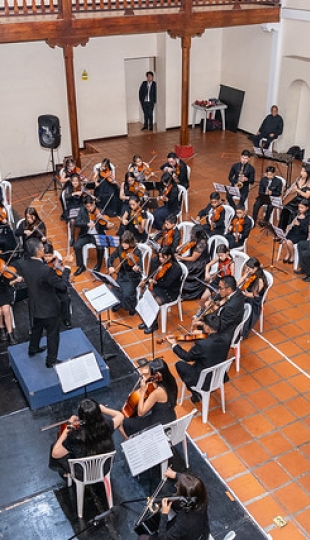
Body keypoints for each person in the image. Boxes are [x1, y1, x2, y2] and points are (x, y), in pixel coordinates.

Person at [14, 238, 72, 368]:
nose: (43, 250)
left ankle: (33, 348)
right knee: (52, 335)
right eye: (42, 249)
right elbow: (62, 286)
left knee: (37, 328)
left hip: (34, 305)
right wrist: (67, 267)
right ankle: (51, 361)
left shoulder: (23, 263)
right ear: (38, 251)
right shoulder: (46, 271)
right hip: (49, 308)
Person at [51, 398, 123, 477]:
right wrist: (104, 409)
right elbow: (120, 415)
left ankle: (66, 473)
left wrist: (67, 427)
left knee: (55, 446)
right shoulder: (107, 426)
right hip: (105, 467)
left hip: (84, 474)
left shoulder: (75, 436)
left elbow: (55, 454)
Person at [167, 313, 231, 404]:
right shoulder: (227, 338)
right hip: (219, 375)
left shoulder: (203, 345)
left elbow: (187, 357)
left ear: (208, 328)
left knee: (179, 365)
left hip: (204, 379)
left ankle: (195, 392)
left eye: (204, 325)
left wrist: (174, 345)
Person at [137, 468, 210, 540]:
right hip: (202, 530)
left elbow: (163, 538)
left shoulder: (182, 522)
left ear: (184, 499)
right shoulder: (202, 497)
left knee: (141, 538)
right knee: (172, 500)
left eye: (178, 487)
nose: (176, 485)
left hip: (186, 535)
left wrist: (164, 514)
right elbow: (191, 485)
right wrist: (175, 475)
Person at [114, 358, 177, 439]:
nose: (148, 375)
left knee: (124, 421)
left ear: (157, 375)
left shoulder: (157, 393)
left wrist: (143, 390)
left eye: (150, 373)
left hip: (159, 424)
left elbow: (141, 413)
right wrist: (147, 374)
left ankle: (129, 441)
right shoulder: (171, 381)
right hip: (170, 417)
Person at [138, 246, 182, 334]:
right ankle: (147, 320)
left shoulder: (176, 269)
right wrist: (146, 281)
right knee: (143, 296)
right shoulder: (156, 261)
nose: (160, 259)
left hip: (170, 291)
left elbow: (167, 284)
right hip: (159, 287)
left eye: (163, 257)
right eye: (159, 256)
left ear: (169, 257)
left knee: (154, 301)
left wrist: (155, 282)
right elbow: (151, 274)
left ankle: (153, 324)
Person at [73, 196, 114, 276]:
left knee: (100, 247)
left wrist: (107, 226)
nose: (90, 208)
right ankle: (81, 266)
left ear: (94, 203)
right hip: (86, 234)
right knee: (76, 246)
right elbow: (77, 222)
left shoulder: (100, 211)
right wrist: (86, 224)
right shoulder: (82, 210)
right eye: (87, 207)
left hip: (97, 235)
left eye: (91, 206)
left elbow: (103, 226)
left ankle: (98, 266)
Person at [107, 231, 142, 316]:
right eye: (123, 243)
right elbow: (111, 257)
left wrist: (136, 269)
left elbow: (141, 268)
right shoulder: (120, 248)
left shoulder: (137, 252)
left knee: (127, 294)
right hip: (122, 274)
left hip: (133, 277)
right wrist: (110, 266)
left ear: (131, 243)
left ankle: (132, 306)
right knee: (115, 289)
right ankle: (119, 303)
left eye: (126, 243)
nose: (124, 245)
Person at [195, 243, 234, 318]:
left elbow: (232, 278)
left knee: (214, 304)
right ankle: (202, 311)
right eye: (218, 255)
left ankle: (210, 316)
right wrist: (207, 273)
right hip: (217, 281)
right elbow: (208, 265)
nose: (220, 257)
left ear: (227, 253)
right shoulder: (219, 258)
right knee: (203, 298)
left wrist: (224, 287)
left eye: (221, 255)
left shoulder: (231, 263)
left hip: (224, 284)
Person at [175, 225, 210, 301]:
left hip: (199, 262)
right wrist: (180, 246)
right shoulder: (195, 239)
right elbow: (188, 244)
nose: (191, 234)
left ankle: (185, 291)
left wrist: (180, 257)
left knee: (187, 269)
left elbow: (193, 258)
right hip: (193, 258)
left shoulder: (201, 243)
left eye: (192, 233)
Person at [43, 243, 72, 329]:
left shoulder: (57, 259)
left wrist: (64, 270)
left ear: (53, 254)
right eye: (46, 256)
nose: (48, 258)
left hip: (57, 282)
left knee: (65, 299)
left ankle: (66, 318)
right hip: (46, 285)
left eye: (50, 256)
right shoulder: (41, 262)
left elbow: (63, 271)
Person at [238, 257, 268, 339]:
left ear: (255, 268)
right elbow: (240, 282)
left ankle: (243, 331)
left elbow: (253, 295)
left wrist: (242, 293)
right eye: (246, 268)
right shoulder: (250, 273)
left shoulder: (260, 281)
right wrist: (244, 276)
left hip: (254, 300)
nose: (247, 270)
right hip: (246, 293)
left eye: (249, 268)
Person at [278, 163, 310, 231]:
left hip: (302, 202)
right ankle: (281, 229)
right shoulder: (299, 178)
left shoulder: (309, 183)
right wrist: (289, 192)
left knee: (292, 213)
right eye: (301, 171)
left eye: (304, 171)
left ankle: (288, 231)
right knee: (285, 209)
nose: (301, 173)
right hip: (295, 200)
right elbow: (293, 191)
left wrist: (298, 190)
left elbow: (307, 196)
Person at [216, 275, 245, 341]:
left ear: (229, 289)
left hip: (227, 332)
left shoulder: (230, 307)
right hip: (227, 320)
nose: (219, 290)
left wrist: (204, 329)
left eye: (221, 288)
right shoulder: (236, 290)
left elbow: (221, 326)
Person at [0, 256, 18, 345]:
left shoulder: (1, 262)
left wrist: (5, 270)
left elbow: (8, 283)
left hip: (2, 291)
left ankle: (11, 334)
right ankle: (2, 329)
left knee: (6, 310)